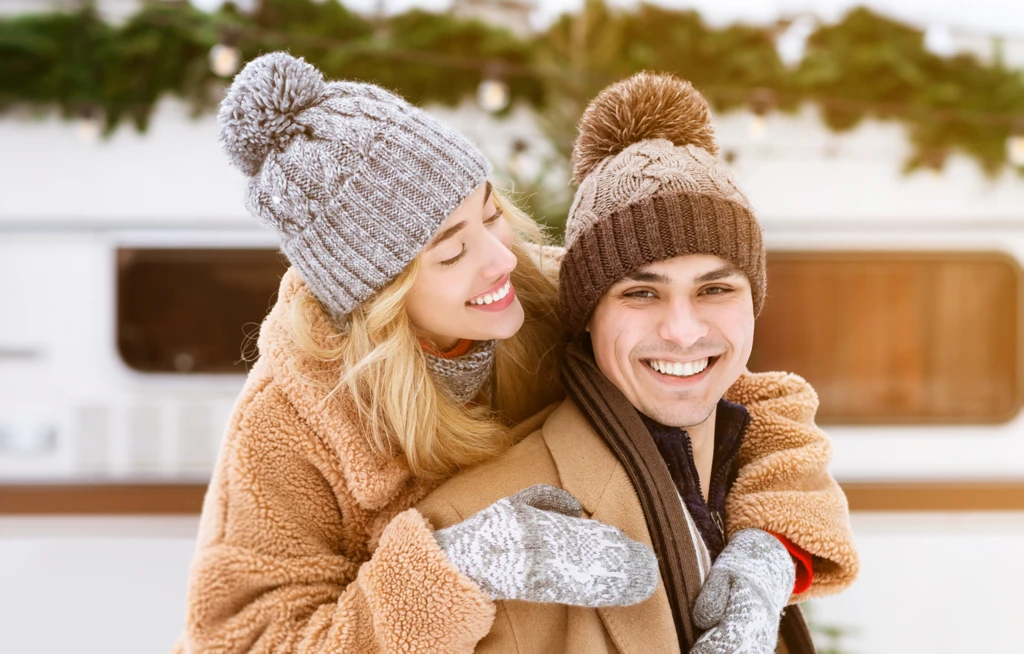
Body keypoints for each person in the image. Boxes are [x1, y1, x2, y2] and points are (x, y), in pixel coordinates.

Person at [175, 54, 854, 654]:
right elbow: (240, 640)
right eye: (452, 250)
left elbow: (748, 398)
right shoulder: (295, 422)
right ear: (379, 296)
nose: (502, 256)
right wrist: (453, 571)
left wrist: (772, 549)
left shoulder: (542, 293)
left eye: (490, 213)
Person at [417, 72, 860, 654]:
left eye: (715, 290)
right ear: (587, 316)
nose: (682, 331)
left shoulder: (752, 478)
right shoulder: (473, 527)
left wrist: (780, 554)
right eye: (641, 293)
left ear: (754, 306)